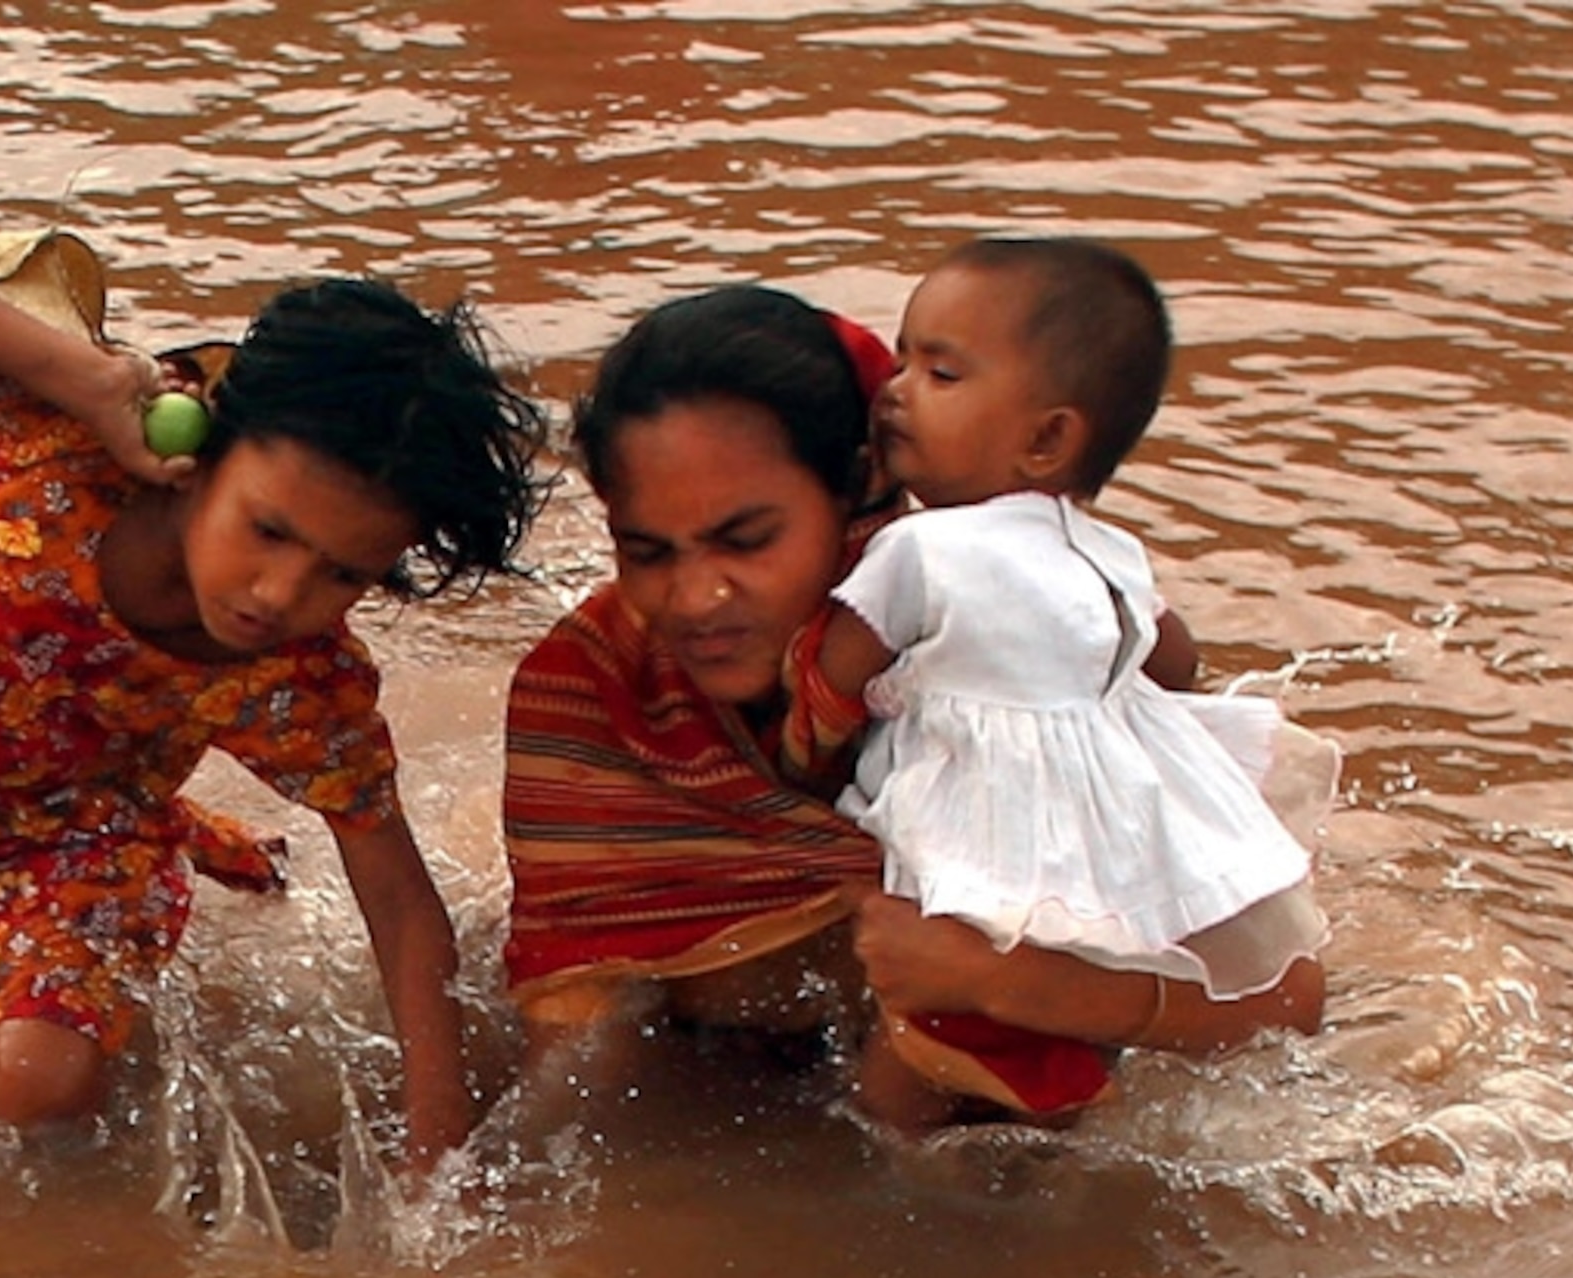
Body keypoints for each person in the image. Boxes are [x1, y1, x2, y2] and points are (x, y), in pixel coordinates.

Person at [0, 236, 547, 1166]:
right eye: (269, 530)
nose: (279, 595)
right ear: (201, 455)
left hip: (69, 846)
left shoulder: (294, 681)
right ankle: (153, 863)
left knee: (38, 1087)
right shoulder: (80, 434)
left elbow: (402, 908)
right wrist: (82, 376)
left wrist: (434, 1159)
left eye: (342, 572)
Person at [500, 282, 1322, 1127]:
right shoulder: (596, 696)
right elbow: (573, 1052)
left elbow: (1286, 1002)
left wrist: (1008, 983)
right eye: (647, 552)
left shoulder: (1006, 668)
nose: (699, 596)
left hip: (991, 1103)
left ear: (859, 487)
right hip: (736, 1078)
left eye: (748, 541)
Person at [818, 236, 1331, 1130]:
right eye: (899, 360)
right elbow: (1172, 658)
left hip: (978, 850)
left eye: (939, 373)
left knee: (895, 1084)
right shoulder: (1110, 550)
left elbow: (831, 677)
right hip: (1094, 853)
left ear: (1049, 437)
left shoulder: (923, 548)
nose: (894, 391)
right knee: (1047, 1088)